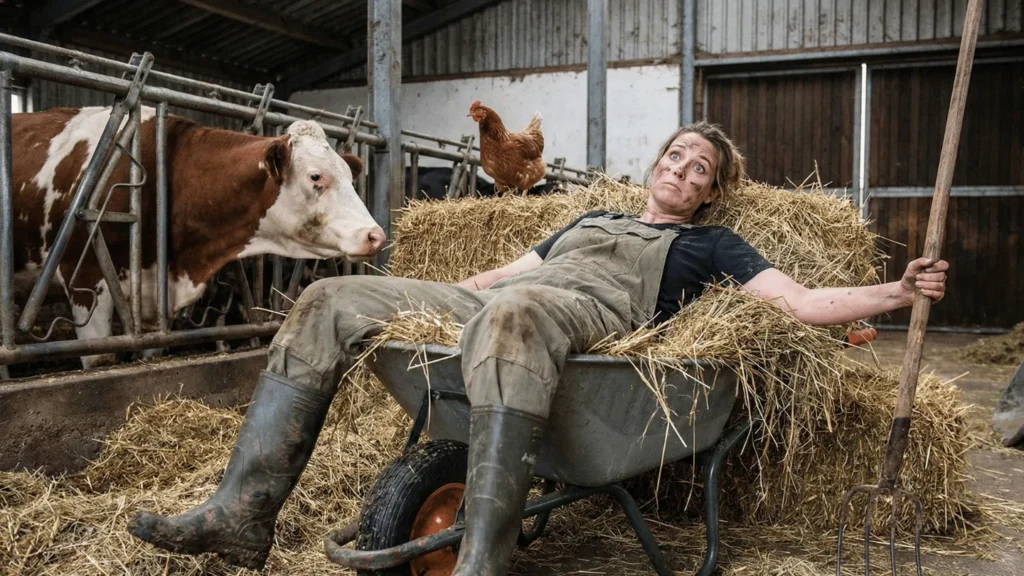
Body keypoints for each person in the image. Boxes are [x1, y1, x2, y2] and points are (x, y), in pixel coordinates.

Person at [127, 122, 948, 574]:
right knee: (329, 297)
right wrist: (433, 300)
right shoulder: (590, 220)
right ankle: (241, 514)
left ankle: (484, 563)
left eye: (700, 170)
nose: (683, 171)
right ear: (654, 165)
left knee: (516, 313)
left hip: (579, 320)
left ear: (711, 191)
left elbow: (802, 303)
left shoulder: (715, 247)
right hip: (504, 305)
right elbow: (499, 277)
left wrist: (899, 291)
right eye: (675, 157)